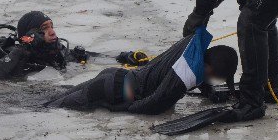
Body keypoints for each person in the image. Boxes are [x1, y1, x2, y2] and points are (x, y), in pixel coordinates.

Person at [46, 26, 238, 115]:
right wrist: (122, 108)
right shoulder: (184, 76)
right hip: (114, 91)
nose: (211, 80)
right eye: (214, 77)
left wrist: (208, 91)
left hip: (114, 76)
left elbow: (199, 72)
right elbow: (154, 105)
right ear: (209, 68)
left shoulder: (193, 44)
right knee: (48, 109)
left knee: (51, 101)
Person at [0, 11, 146, 80]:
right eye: (44, 28)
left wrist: (122, 57)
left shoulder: (58, 51)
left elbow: (89, 58)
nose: (52, 32)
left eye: (51, 26)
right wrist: (24, 48)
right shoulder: (11, 54)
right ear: (29, 35)